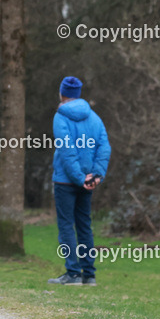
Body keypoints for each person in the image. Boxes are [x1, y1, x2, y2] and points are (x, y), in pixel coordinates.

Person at [48, 76, 111, 286]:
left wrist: (78, 177)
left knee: (66, 226)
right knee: (85, 226)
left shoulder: (60, 117)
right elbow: (104, 147)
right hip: (88, 181)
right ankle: (89, 275)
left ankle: (72, 273)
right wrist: (96, 175)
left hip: (66, 181)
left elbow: (67, 151)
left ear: (61, 93)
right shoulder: (95, 117)